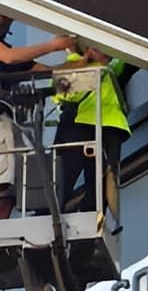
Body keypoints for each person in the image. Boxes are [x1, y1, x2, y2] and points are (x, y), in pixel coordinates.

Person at [0, 8, 75, 223]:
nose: (8, 24)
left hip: (3, 116)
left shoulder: (4, 51)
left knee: (11, 181)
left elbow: (45, 70)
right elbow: (10, 57)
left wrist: (80, 64)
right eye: (4, 17)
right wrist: (53, 45)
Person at [51, 48, 131, 216]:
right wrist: (88, 62)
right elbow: (65, 93)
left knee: (101, 185)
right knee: (63, 182)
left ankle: (94, 219)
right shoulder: (74, 63)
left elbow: (123, 59)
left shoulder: (110, 67)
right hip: (79, 126)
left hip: (108, 127)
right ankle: (51, 216)